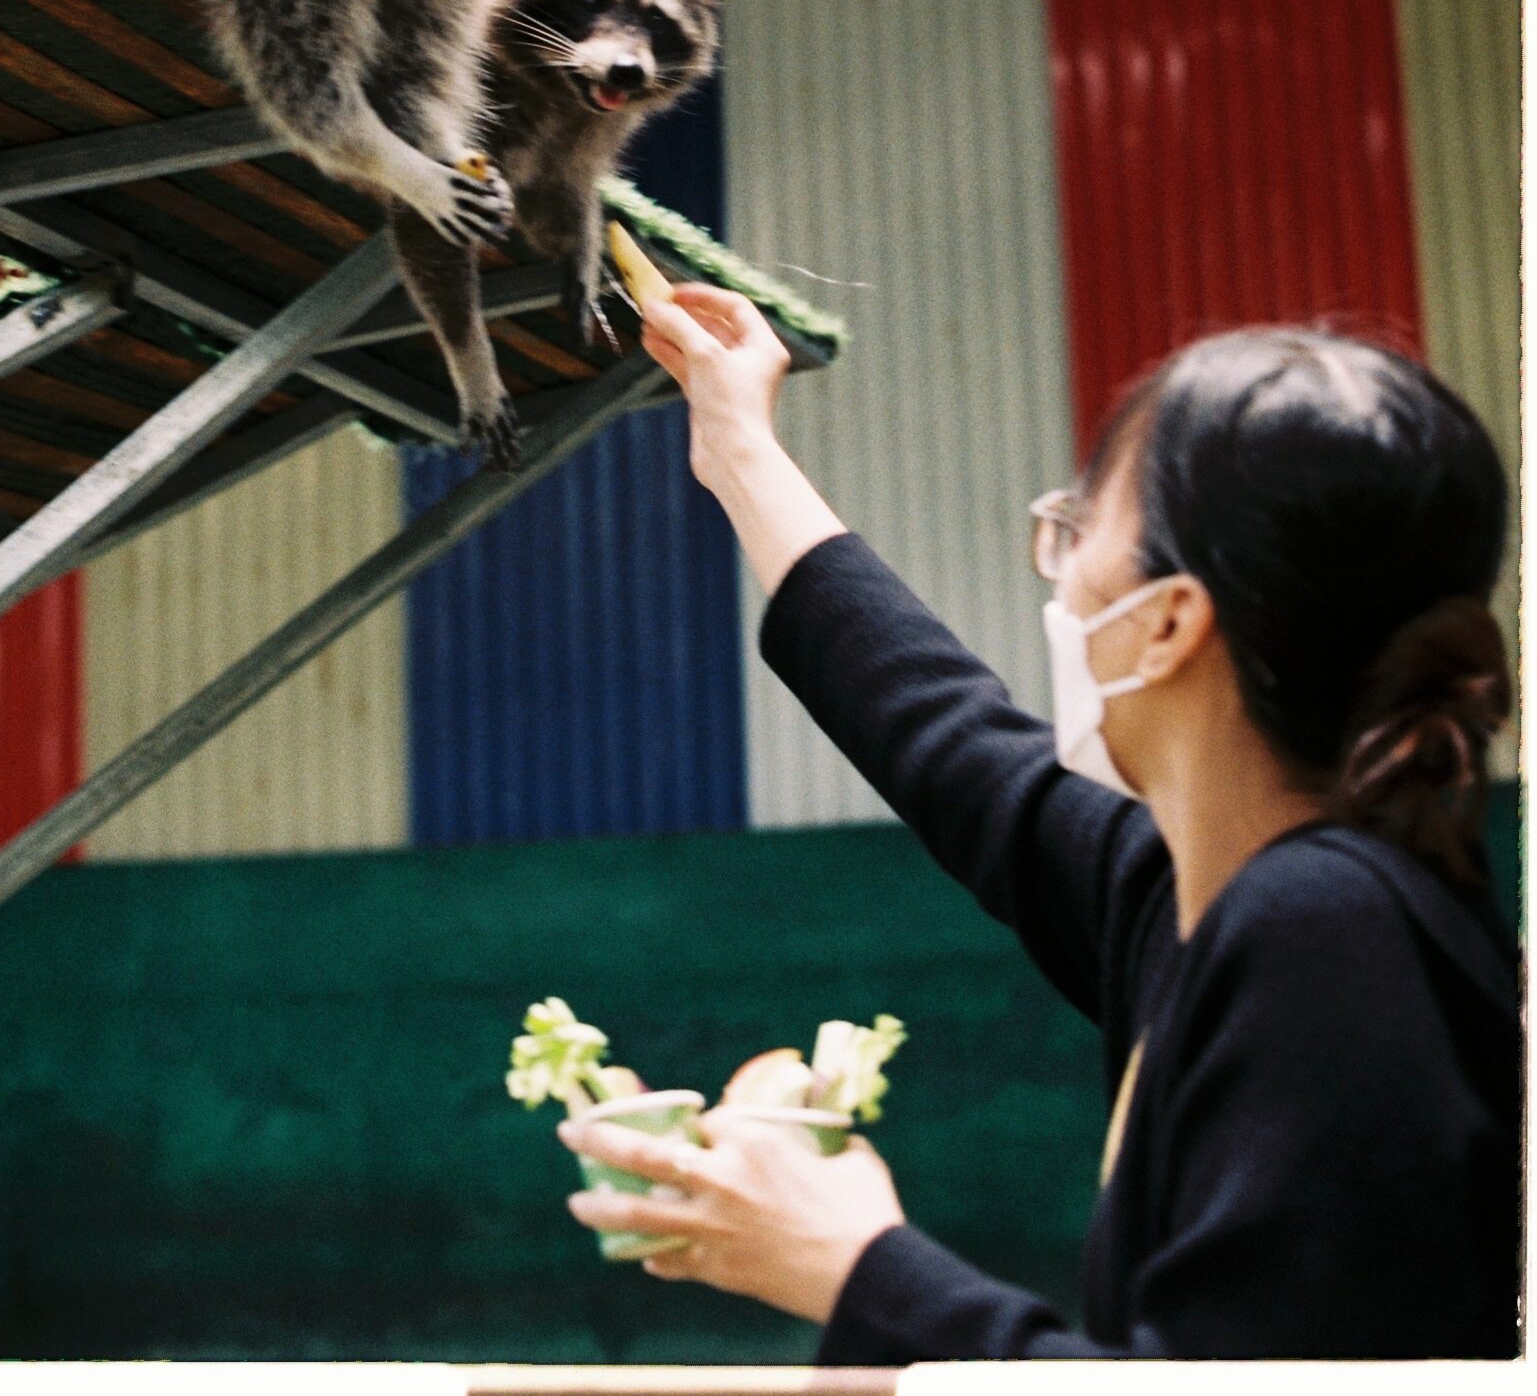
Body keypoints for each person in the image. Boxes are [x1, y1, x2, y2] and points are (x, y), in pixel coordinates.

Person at [562, 294, 1519, 1359]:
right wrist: (737, 444)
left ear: (1166, 623)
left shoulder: (1322, 936)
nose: (1057, 581)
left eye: (1075, 530)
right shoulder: (1207, 895)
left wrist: (852, 1261)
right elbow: (942, 737)